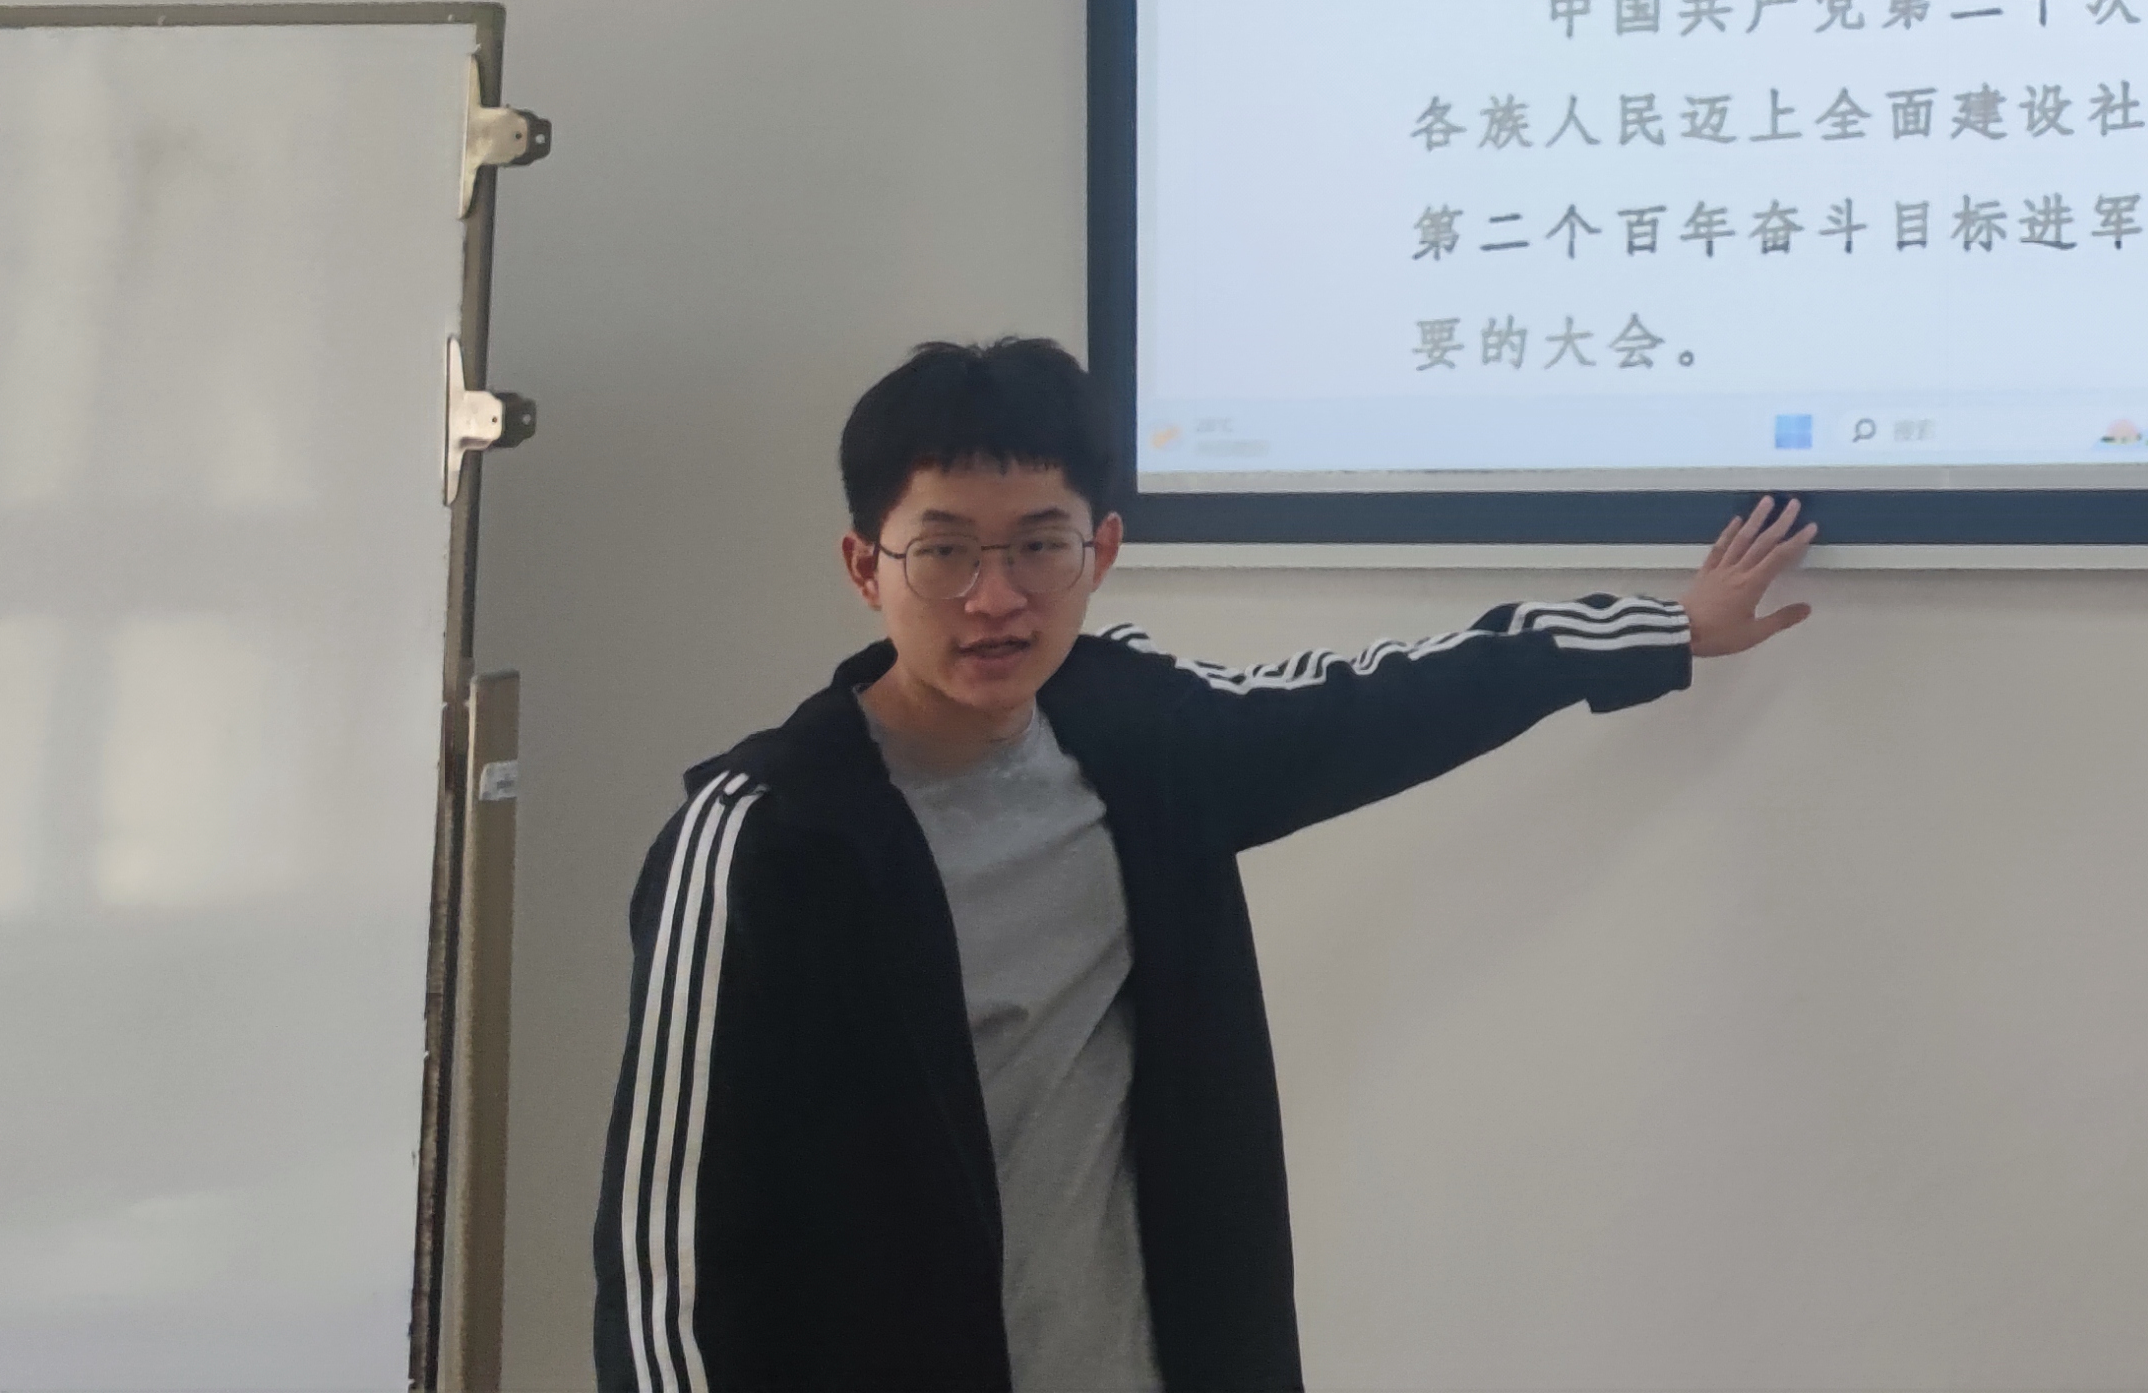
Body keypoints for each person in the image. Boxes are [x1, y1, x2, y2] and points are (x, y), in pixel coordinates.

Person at [589, 337, 1812, 1392]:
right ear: (868, 567)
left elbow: (1380, 699)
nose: (995, 599)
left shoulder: (1143, 737)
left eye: (1040, 546)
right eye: (944, 552)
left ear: (1101, 551)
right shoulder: (764, 837)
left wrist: (1661, 629)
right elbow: (666, 1257)